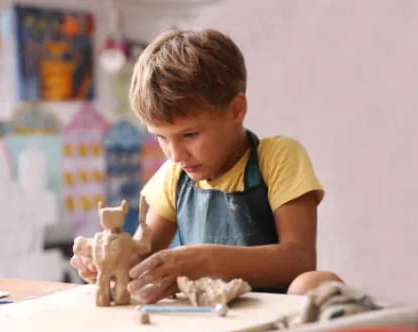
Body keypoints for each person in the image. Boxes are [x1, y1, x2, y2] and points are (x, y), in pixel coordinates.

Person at [70, 28, 342, 304]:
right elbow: (144, 256)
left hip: (270, 318)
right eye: (160, 138)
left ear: (236, 110)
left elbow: (299, 260)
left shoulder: (277, 157)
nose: (175, 154)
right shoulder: (174, 175)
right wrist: (112, 264)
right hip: (202, 316)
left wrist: (206, 259)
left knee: (317, 283)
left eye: (190, 135)